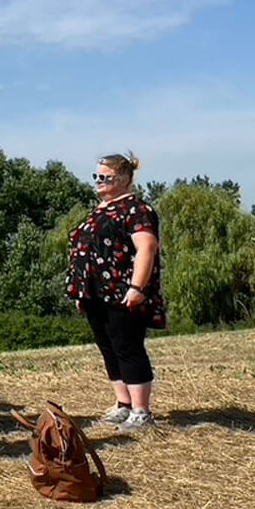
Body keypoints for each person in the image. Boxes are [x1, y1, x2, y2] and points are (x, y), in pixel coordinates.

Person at [65, 152, 166, 433]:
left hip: (122, 292)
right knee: (108, 348)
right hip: (95, 294)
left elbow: (146, 248)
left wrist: (137, 287)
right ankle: (123, 405)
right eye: (96, 176)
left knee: (128, 348)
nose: (98, 182)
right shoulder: (101, 210)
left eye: (104, 178)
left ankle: (141, 411)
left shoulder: (136, 210)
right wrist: (80, 290)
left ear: (123, 180)